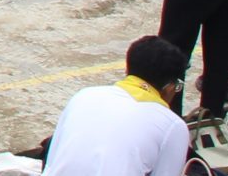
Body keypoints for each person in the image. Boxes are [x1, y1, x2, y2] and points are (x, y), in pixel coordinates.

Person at [37, 35, 190, 176]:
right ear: (169, 87)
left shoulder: (84, 95)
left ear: (127, 70)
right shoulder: (173, 125)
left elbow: (52, 161)